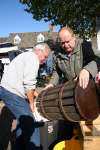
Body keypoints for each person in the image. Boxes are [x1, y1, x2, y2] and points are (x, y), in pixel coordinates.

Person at [0, 42, 50, 150]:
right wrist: (32, 103)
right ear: (39, 51)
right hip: (12, 93)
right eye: (45, 57)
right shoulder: (33, 59)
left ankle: (19, 147)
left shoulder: (25, 55)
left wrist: (36, 93)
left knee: (23, 123)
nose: (44, 60)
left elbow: (24, 81)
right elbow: (29, 84)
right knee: (31, 123)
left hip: (8, 91)